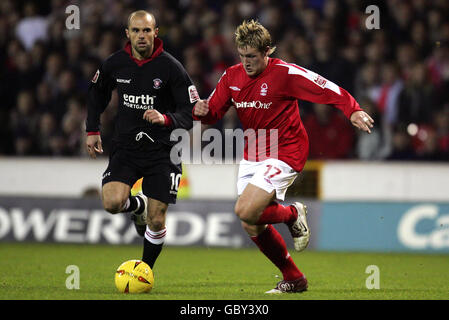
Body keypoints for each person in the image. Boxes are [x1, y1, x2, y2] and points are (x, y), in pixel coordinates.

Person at [193, 20, 374, 293]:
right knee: (250, 222)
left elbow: (325, 87)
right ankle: (294, 278)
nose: (246, 63)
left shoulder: (285, 73)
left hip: (286, 150)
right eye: (242, 56)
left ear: (267, 52)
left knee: (244, 210)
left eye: (252, 57)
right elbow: (213, 112)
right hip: (253, 153)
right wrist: (200, 111)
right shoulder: (231, 76)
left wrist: (353, 110)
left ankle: (291, 214)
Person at [85, 11, 198, 270]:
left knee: (157, 220)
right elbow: (96, 93)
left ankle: (144, 270)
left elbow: (191, 110)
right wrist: (92, 129)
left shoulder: (171, 68)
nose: (141, 36)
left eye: (146, 31)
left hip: (163, 151)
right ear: (127, 34)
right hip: (126, 147)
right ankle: (138, 206)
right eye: (136, 31)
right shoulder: (115, 64)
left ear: (156, 33)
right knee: (112, 203)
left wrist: (166, 119)